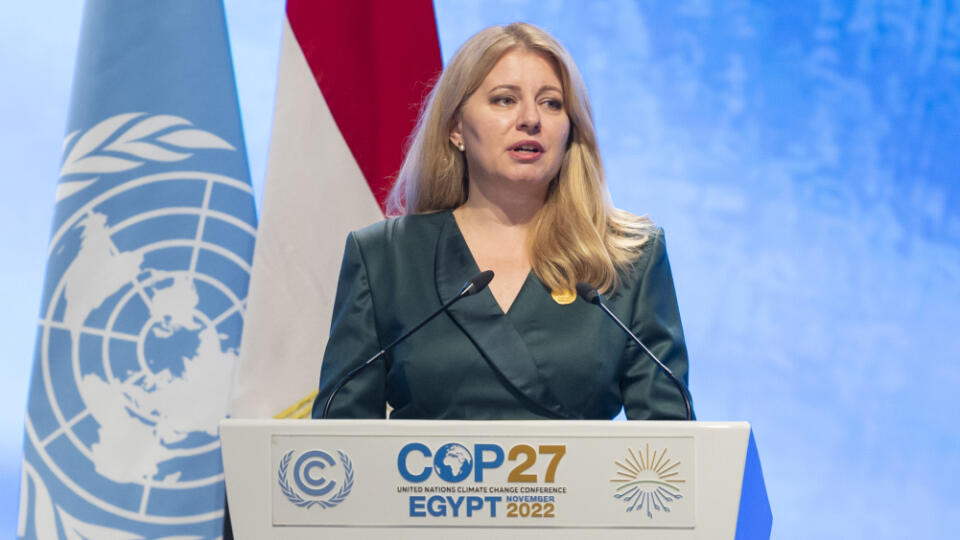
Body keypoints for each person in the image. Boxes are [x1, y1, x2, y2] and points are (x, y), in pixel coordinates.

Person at [311, 22, 691, 421]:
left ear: (571, 129)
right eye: (505, 100)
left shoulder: (630, 258)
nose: (531, 119)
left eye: (552, 103)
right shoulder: (385, 257)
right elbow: (340, 440)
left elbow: (670, 450)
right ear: (456, 127)